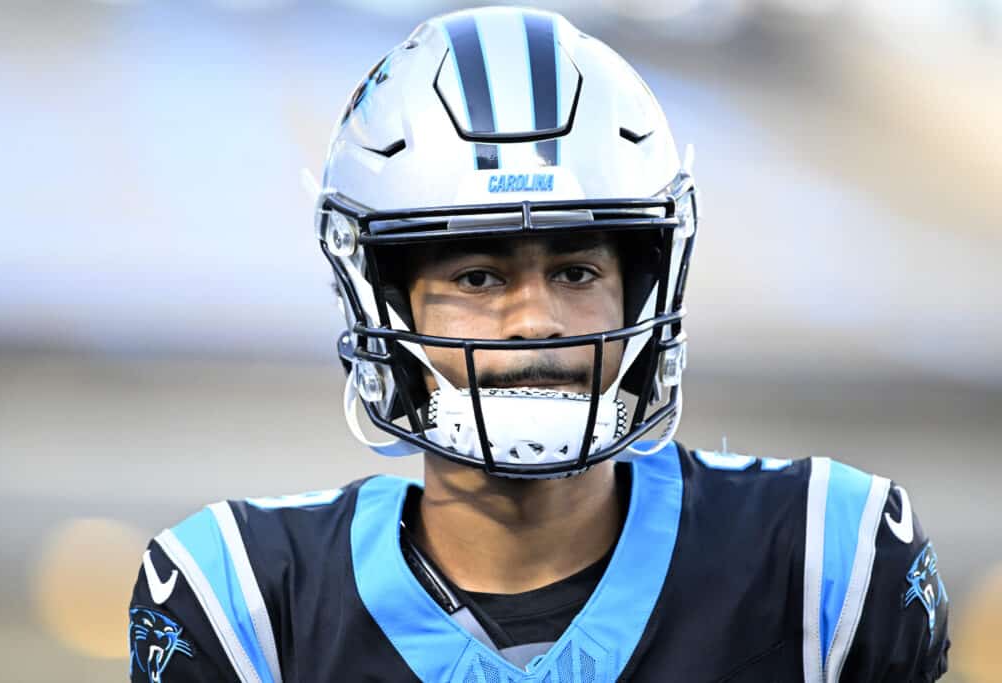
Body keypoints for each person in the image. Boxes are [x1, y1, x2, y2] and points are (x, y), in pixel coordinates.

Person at [128, 7, 950, 682]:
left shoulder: (825, 565)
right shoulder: (248, 604)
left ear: (644, 284)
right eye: (480, 276)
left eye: (577, 269)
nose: (536, 320)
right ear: (381, 299)